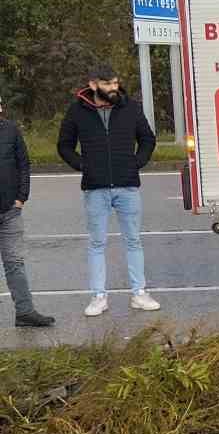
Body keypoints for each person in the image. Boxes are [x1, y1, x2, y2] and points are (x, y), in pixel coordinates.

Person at [56, 65, 160, 317]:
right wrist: (83, 166)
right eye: (108, 84)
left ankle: (139, 293)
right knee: (96, 243)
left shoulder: (131, 107)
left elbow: (148, 139)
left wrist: (136, 163)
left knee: (134, 240)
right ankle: (98, 297)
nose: (114, 88)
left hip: (127, 185)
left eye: (115, 83)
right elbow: (64, 145)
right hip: (95, 188)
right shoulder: (77, 111)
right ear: (93, 85)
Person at [0, 89, 54, 328]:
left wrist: (21, 197)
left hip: (10, 211)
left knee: (15, 264)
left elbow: (24, 165)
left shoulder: (11, 130)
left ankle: (24, 312)